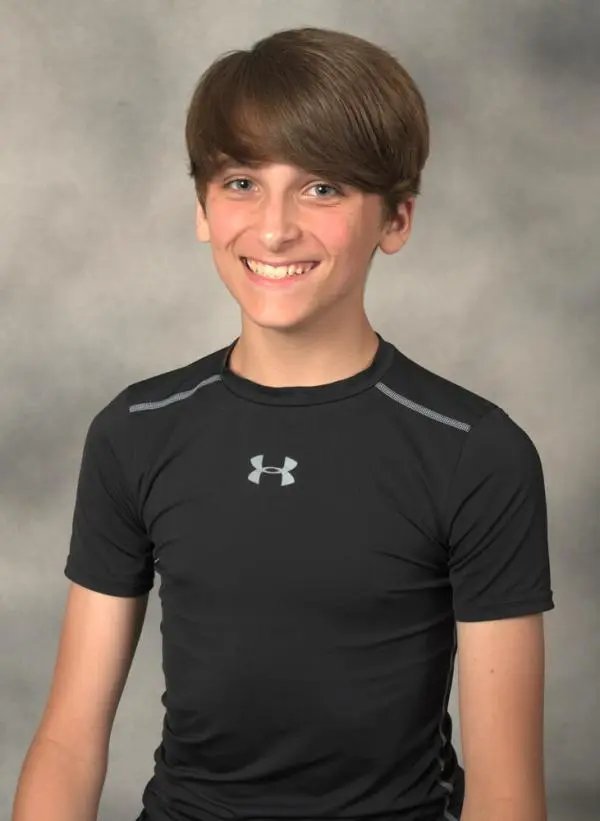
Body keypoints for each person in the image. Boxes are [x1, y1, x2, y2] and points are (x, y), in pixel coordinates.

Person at [11, 25, 554, 821]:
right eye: (241, 182)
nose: (273, 228)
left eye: (322, 188)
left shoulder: (474, 452)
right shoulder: (136, 430)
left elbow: (507, 796)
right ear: (202, 208)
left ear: (397, 219)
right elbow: (67, 740)